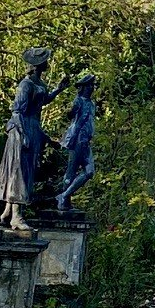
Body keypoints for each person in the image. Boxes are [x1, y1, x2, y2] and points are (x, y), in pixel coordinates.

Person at [0, 47, 70, 231]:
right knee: (20, 173)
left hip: (33, 129)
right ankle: (16, 217)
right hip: (22, 130)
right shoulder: (25, 85)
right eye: (46, 60)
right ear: (38, 65)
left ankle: (8, 212)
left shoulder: (38, 82)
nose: (48, 62)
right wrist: (23, 135)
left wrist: (58, 90)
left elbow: (42, 101)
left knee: (26, 172)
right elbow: (17, 111)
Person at [55, 74, 97, 211]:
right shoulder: (78, 101)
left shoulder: (91, 103)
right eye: (90, 85)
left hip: (86, 141)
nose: (92, 87)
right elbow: (71, 115)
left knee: (89, 172)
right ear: (84, 87)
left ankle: (64, 195)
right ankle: (64, 202)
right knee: (71, 171)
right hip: (77, 139)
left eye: (92, 85)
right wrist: (71, 111)